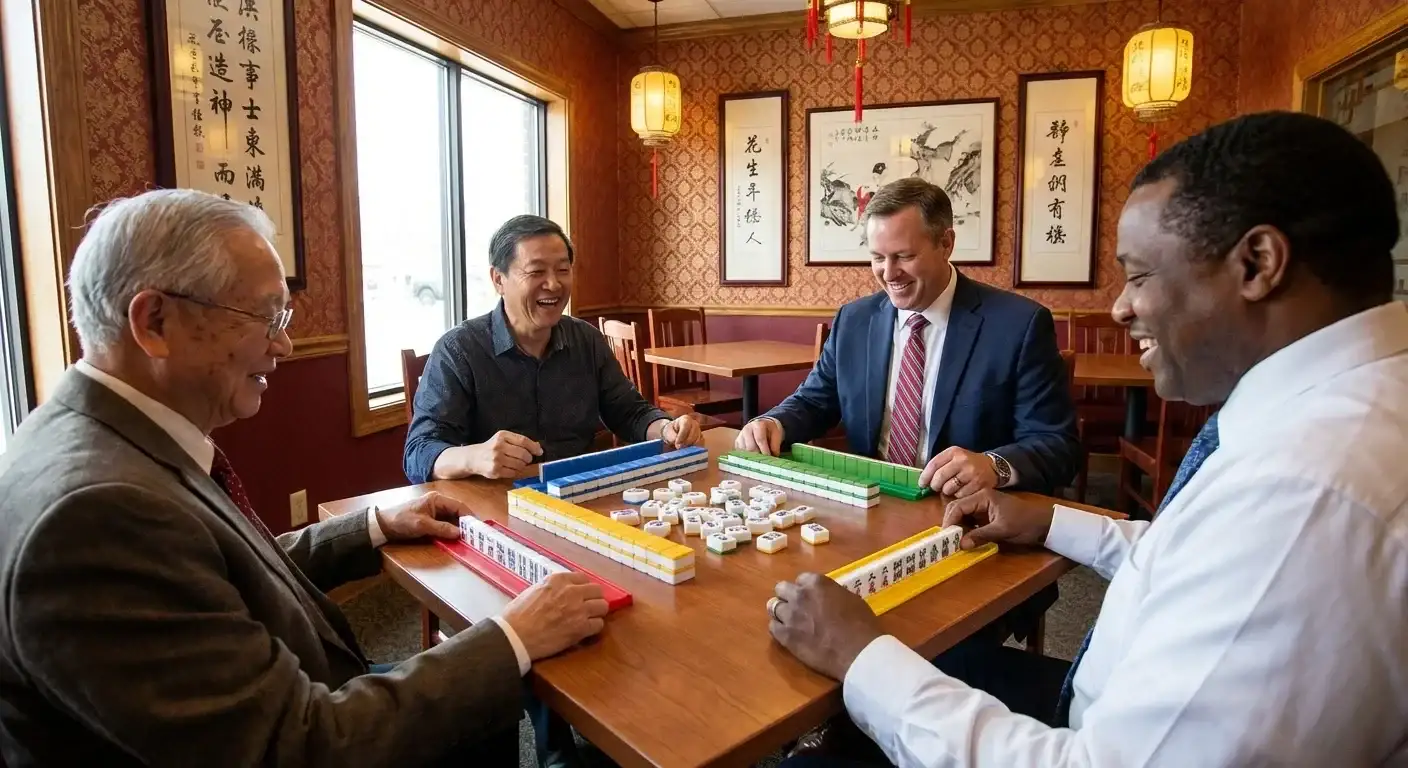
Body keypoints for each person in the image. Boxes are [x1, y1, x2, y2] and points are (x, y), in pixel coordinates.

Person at [769, 111, 1408, 766]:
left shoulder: (1307, 491)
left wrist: (862, 656)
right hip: (1090, 675)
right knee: (854, 713)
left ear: (1258, 263)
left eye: (1140, 275)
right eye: (878, 257)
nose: (1121, 308)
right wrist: (1047, 519)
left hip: (1078, 719)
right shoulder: (1331, 415)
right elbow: (1181, 553)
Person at [0, 190, 611, 767]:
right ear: (155, 322)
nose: (286, 345)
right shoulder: (96, 515)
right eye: (265, 317)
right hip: (316, 726)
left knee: (487, 706)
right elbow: (293, 747)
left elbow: (225, 569)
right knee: (490, 693)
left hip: (301, 692)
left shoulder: (114, 442)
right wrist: (511, 637)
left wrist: (373, 526)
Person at [737, 178, 1081, 499]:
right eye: (877, 258)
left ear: (946, 244)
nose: (889, 274)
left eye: (904, 256)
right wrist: (774, 422)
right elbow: (815, 401)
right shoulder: (854, 320)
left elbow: (1057, 445)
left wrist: (994, 466)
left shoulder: (1018, 325)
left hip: (966, 508)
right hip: (872, 500)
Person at [404, 214, 701, 484]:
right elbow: (418, 453)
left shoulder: (586, 340)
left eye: (562, 270)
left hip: (578, 493)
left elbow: (629, 412)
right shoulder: (459, 350)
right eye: (536, 271)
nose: (554, 284)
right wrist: (474, 456)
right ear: (498, 279)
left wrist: (666, 428)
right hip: (494, 502)